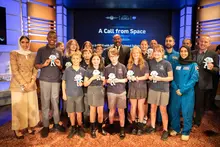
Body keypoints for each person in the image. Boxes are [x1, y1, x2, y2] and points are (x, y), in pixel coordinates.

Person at [35, 30, 65, 138]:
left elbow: (61, 68)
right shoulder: (41, 50)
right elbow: (36, 65)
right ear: (47, 38)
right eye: (50, 37)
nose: (52, 39)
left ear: (56, 39)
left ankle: (56, 123)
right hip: (44, 80)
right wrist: (43, 64)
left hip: (56, 80)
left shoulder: (59, 51)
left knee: (55, 103)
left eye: (54, 37)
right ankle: (46, 125)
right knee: (45, 102)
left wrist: (59, 65)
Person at [10, 35, 39, 139]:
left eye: (27, 42)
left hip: (31, 84)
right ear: (19, 43)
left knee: (30, 106)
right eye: (23, 42)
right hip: (18, 85)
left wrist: (32, 82)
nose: (25, 44)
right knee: (19, 108)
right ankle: (17, 129)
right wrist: (24, 84)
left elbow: (35, 69)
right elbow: (15, 70)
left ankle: (30, 126)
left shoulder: (33, 54)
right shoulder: (14, 53)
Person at [170, 46, 199, 141]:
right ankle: (176, 128)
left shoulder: (193, 65)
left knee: (187, 112)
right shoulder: (175, 64)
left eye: (185, 51)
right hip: (176, 92)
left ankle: (186, 131)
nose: (183, 53)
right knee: (174, 111)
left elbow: (194, 79)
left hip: (187, 93)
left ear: (189, 52)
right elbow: (172, 77)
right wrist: (176, 88)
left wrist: (182, 90)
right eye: (181, 51)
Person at [146, 44, 173, 141]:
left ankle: (165, 130)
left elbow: (171, 77)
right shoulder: (150, 62)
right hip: (153, 89)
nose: (156, 53)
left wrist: (160, 78)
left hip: (163, 90)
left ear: (162, 53)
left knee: (163, 110)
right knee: (152, 109)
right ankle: (152, 127)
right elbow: (147, 74)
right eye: (155, 51)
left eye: (159, 51)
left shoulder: (167, 63)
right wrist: (149, 77)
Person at [192, 35, 219, 127]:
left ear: (209, 44)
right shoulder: (192, 53)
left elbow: (216, 70)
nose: (203, 43)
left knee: (199, 104)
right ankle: (189, 119)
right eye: (201, 41)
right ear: (198, 42)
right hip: (190, 82)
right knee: (190, 102)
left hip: (203, 83)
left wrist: (211, 68)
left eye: (205, 42)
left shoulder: (213, 54)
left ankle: (197, 121)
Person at [104, 47, 128, 139]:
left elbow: (126, 79)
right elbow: (105, 80)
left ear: (118, 56)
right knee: (112, 110)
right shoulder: (107, 68)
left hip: (121, 92)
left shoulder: (122, 66)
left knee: (121, 111)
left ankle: (122, 129)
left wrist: (118, 80)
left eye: (114, 56)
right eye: (111, 57)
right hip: (111, 92)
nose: (113, 58)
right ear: (109, 57)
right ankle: (111, 126)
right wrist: (108, 81)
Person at [62, 51, 86, 138]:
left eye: (77, 59)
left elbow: (85, 82)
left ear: (80, 59)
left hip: (79, 95)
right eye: (74, 58)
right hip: (69, 94)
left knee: (79, 113)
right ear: (71, 59)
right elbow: (63, 82)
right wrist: (64, 93)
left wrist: (82, 83)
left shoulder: (83, 70)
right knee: (71, 112)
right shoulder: (68, 70)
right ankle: (73, 127)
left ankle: (79, 127)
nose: (75, 60)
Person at [127, 46, 149, 135]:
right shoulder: (129, 64)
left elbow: (147, 76)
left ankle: (140, 126)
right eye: (134, 53)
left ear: (140, 54)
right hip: (132, 87)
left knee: (140, 107)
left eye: (137, 53)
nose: (136, 54)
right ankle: (133, 126)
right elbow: (127, 75)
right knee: (133, 107)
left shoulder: (145, 63)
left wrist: (137, 78)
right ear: (132, 54)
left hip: (142, 87)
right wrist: (129, 77)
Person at [84, 53, 107, 138]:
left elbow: (105, 83)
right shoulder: (88, 69)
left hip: (100, 90)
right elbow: (85, 84)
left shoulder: (103, 69)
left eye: (97, 59)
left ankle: (100, 128)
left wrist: (103, 80)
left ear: (100, 60)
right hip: (91, 90)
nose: (96, 61)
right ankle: (93, 129)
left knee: (100, 112)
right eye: (94, 59)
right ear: (91, 60)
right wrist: (92, 78)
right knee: (92, 111)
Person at [80, 48, 92, 128]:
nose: (87, 55)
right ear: (83, 55)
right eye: (85, 53)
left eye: (89, 53)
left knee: (93, 106)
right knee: (85, 107)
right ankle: (85, 123)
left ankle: (93, 122)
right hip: (83, 90)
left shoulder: (94, 64)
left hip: (94, 89)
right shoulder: (80, 65)